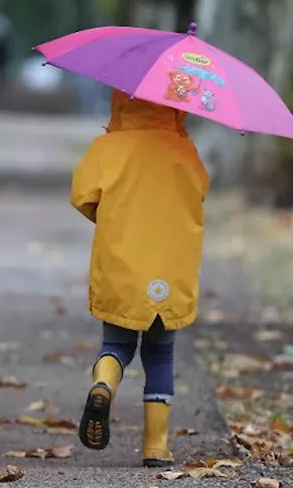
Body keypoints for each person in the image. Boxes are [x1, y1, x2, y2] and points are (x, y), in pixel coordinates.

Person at [70, 90, 209, 467]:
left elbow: (82, 195)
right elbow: (199, 194)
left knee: (116, 342)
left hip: (122, 263)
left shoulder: (109, 147)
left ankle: (104, 385)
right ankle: (156, 446)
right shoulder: (185, 151)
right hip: (171, 268)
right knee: (160, 353)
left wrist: (110, 218)